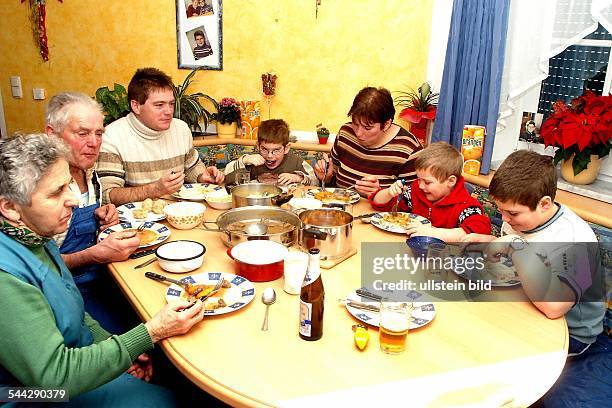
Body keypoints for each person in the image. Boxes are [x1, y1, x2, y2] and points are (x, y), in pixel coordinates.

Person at [0, 134, 205, 405]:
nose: (73, 199)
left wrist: (116, 345)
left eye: (68, 186)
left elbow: (74, 313)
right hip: (33, 394)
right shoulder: (7, 277)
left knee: (167, 370)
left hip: (72, 360)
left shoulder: (37, 235)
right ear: (10, 208)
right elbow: (54, 377)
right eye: (56, 192)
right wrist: (151, 332)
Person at [462, 150, 609, 406]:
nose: (505, 219)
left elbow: (554, 308)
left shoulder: (575, 240)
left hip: (570, 335)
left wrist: (516, 247)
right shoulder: (523, 219)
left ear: (543, 203)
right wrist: (489, 243)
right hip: (524, 306)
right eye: (501, 211)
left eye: (513, 214)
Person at [45, 92, 141, 333]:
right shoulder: (41, 191)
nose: (94, 142)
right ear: (52, 135)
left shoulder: (88, 170)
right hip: (65, 296)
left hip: (104, 280)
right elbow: (40, 268)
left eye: (99, 133)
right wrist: (94, 255)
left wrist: (101, 214)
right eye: (82, 133)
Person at [97, 67, 224, 206]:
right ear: (136, 106)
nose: (169, 111)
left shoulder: (181, 128)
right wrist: (153, 190)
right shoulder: (111, 137)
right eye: (159, 105)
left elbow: (191, 167)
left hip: (180, 213)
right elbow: (107, 195)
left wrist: (202, 176)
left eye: (171, 104)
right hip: (138, 223)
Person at [313, 86, 423, 197]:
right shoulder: (345, 133)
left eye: (367, 128)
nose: (358, 133)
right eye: (355, 124)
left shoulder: (409, 149)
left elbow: (412, 201)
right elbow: (333, 183)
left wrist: (380, 194)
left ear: (386, 124)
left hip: (379, 213)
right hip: (339, 209)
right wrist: (326, 177)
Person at [369, 142, 491, 241]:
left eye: (427, 182)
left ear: (451, 181)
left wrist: (433, 232)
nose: (421, 186)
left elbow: (478, 232)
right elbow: (381, 206)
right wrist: (389, 193)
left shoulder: (467, 206)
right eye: (419, 179)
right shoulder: (415, 191)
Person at [224, 119, 319, 186]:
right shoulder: (251, 162)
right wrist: (244, 160)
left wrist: (299, 178)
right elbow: (226, 177)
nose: (269, 156)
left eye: (276, 150)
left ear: (286, 148)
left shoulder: (296, 161)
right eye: (264, 149)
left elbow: (316, 182)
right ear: (258, 146)